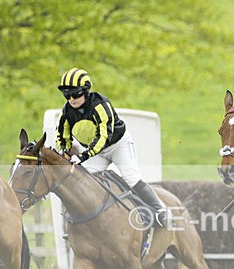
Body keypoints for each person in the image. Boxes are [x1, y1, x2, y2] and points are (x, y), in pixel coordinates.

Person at [55, 68, 169, 228]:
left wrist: (83, 156)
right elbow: (62, 136)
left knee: (131, 177)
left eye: (76, 94)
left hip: (118, 145)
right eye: (67, 95)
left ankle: (160, 210)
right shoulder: (66, 112)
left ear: (86, 92)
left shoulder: (100, 105)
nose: (71, 99)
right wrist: (64, 152)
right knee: (86, 181)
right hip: (97, 151)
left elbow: (104, 136)